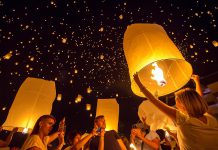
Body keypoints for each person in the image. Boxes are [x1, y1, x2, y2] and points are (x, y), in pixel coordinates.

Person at [133, 73, 218, 150]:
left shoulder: (183, 120)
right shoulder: (209, 117)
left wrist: (139, 83)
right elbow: (198, 98)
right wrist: (197, 81)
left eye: (177, 102)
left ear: (184, 104)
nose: (176, 106)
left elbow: (153, 100)